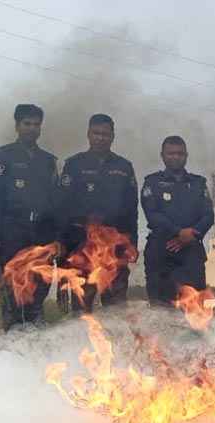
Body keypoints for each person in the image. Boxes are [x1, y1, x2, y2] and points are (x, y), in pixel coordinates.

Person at [0, 103, 59, 329]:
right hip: (12, 230)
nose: (32, 128)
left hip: (42, 232)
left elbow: (56, 202)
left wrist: (56, 237)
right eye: (27, 123)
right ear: (17, 126)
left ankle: (35, 323)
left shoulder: (48, 161)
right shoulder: (3, 156)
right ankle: (12, 331)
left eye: (36, 124)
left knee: (41, 281)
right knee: (12, 285)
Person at [56, 113, 138, 312]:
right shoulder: (74, 165)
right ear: (88, 134)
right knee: (81, 308)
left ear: (112, 136)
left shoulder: (124, 167)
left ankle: (116, 343)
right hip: (82, 247)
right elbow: (62, 207)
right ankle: (81, 341)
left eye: (105, 134)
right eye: (96, 133)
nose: (100, 138)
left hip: (114, 249)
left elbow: (131, 209)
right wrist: (63, 247)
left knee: (116, 308)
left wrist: (132, 244)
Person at [139, 136, 213, 306]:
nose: (175, 157)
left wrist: (191, 235)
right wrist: (179, 233)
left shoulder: (198, 183)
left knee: (194, 310)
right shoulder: (153, 182)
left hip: (191, 252)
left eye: (180, 153)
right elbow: (152, 214)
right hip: (161, 252)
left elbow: (208, 216)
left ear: (186, 156)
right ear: (162, 156)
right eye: (171, 153)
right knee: (161, 309)